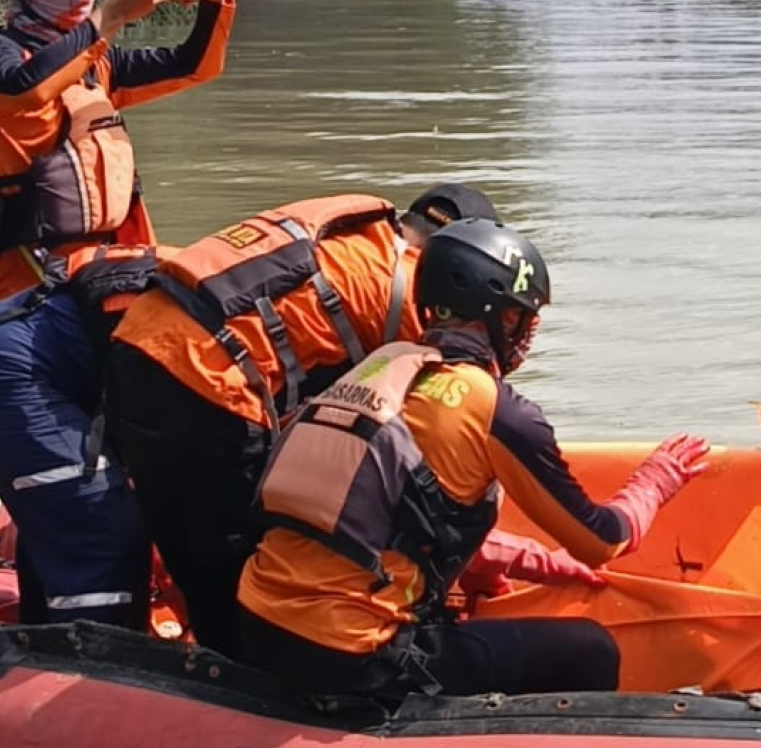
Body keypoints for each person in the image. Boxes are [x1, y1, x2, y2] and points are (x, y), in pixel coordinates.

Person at [236, 217, 711, 704]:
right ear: (504, 318)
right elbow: (602, 539)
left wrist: (540, 563)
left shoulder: (380, 368)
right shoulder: (498, 410)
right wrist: (655, 481)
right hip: (351, 656)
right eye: (523, 317)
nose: (526, 333)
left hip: (258, 623)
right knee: (591, 650)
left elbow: (384, 517)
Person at [105, 183, 502, 656]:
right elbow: (429, 467)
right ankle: (250, 686)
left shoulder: (357, 238)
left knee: (193, 540)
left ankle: (195, 653)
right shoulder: (421, 296)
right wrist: (484, 569)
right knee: (241, 555)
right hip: (206, 380)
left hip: (137, 341)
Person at [0, 0, 235, 313]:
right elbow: (26, 89)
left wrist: (213, 2)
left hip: (103, 276)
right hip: (18, 294)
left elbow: (192, 67)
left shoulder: (98, 61)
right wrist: (113, 15)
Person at [0, 250, 161, 627]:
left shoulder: (259, 294)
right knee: (98, 523)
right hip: (12, 369)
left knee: (63, 513)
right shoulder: (272, 318)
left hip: (17, 335)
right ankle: (100, 667)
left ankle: (44, 638)